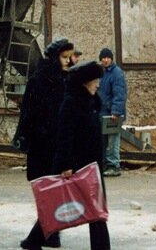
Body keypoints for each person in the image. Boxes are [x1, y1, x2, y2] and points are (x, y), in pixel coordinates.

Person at [23, 60, 110, 250]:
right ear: (85, 82)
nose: (98, 83)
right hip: (77, 165)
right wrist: (65, 165)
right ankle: (33, 240)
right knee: (59, 204)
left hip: (93, 165)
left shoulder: (92, 102)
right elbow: (64, 137)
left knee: (96, 210)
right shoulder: (71, 103)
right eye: (95, 80)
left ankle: (33, 240)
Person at [15, 37, 73, 250]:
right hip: (42, 145)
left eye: (69, 57)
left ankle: (51, 233)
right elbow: (29, 114)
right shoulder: (39, 80)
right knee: (48, 192)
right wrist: (42, 133)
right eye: (64, 57)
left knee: (56, 190)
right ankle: (41, 236)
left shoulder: (66, 80)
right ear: (54, 58)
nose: (67, 61)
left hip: (58, 145)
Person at [97, 47, 126, 178]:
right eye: (103, 58)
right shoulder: (103, 73)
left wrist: (116, 111)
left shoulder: (116, 73)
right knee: (103, 141)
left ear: (111, 59)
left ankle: (114, 166)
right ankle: (104, 164)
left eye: (108, 57)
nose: (105, 60)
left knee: (113, 140)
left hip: (112, 113)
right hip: (103, 112)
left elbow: (119, 94)